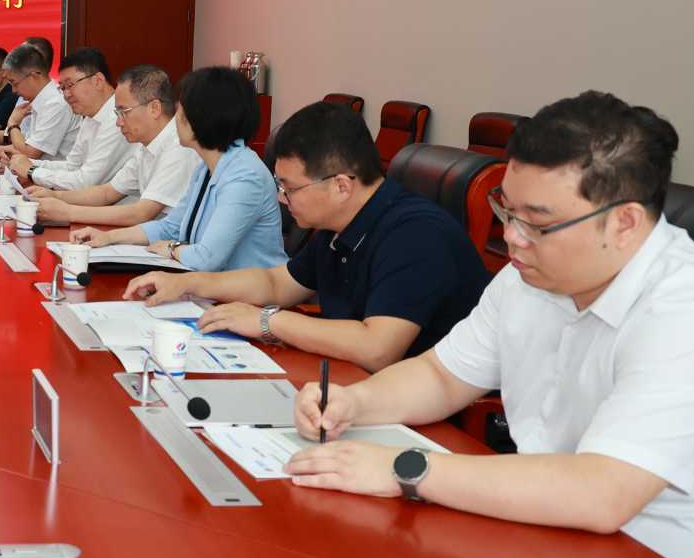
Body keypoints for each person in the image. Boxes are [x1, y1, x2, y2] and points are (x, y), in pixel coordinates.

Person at [286, 92, 694, 558]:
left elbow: (602, 493)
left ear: (625, 223)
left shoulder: (693, 314)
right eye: (507, 210)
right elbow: (441, 375)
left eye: (538, 223)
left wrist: (405, 469)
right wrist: (354, 403)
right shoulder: (533, 277)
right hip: (561, 538)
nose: (511, 238)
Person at [129, 100, 489, 370]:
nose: (281, 199)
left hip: (423, 414)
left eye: (289, 188)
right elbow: (276, 283)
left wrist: (267, 321)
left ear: (341, 186)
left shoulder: (416, 235)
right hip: (348, 379)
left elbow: (377, 348)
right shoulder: (340, 225)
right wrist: (188, 283)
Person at [75, 66, 285, 273]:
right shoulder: (206, 168)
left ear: (204, 116)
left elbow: (207, 258)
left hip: (247, 292)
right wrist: (109, 237)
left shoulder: (245, 176)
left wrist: (171, 248)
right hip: (211, 283)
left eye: (181, 110)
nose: (175, 118)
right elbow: (171, 227)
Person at [30, 66, 196, 229]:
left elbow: (140, 213)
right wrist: (55, 195)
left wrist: (68, 212)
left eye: (124, 112)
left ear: (154, 108)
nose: (119, 122)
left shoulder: (178, 146)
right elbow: (107, 193)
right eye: (117, 114)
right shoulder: (146, 145)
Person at [12, 48, 128, 191]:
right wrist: (26, 163)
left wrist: (31, 171)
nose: (66, 94)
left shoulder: (119, 119)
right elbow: (71, 166)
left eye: (70, 85)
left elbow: (86, 182)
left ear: (98, 81)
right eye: (62, 88)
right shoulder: (90, 117)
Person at [0, 41, 76, 161]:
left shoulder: (55, 103)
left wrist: (13, 124)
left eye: (14, 83)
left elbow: (30, 153)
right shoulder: (39, 100)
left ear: (34, 76)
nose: (13, 90)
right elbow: (24, 145)